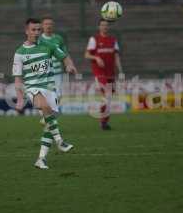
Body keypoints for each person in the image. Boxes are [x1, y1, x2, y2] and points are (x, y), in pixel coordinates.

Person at [13, 18, 78, 169]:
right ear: (27, 31)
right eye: (33, 30)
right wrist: (20, 99)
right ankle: (60, 142)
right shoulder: (20, 53)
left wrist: (69, 65)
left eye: (38, 30)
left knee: (49, 125)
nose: (36, 33)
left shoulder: (48, 45)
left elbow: (64, 56)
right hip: (33, 87)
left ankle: (41, 159)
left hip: (50, 88)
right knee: (45, 107)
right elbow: (17, 79)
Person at [84, 18, 123, 130]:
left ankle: (104, 122)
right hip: (99, 73)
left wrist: (120, 71)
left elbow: (116, 57)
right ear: (99, 27)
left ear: (108, 27)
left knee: (108, 98)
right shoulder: (94, 39)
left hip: (111, 73)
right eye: (102, 25)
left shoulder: (113, 40)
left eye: (106, 25)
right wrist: (96, 57)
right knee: (106, 94)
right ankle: (103, 121)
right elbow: (86, 55)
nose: (104, 27)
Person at [39, 17, 72, 100]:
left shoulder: (58, 38)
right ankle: (50, 111)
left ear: (53, 26)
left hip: (57, 72)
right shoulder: (38, 40)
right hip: (43, 72)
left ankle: (53, 111)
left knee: (58, 95)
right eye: (46, 24)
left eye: (50, 24)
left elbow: (65, 54)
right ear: (42, 26)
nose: (48, 26)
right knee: (45, 95)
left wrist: (69, 65)